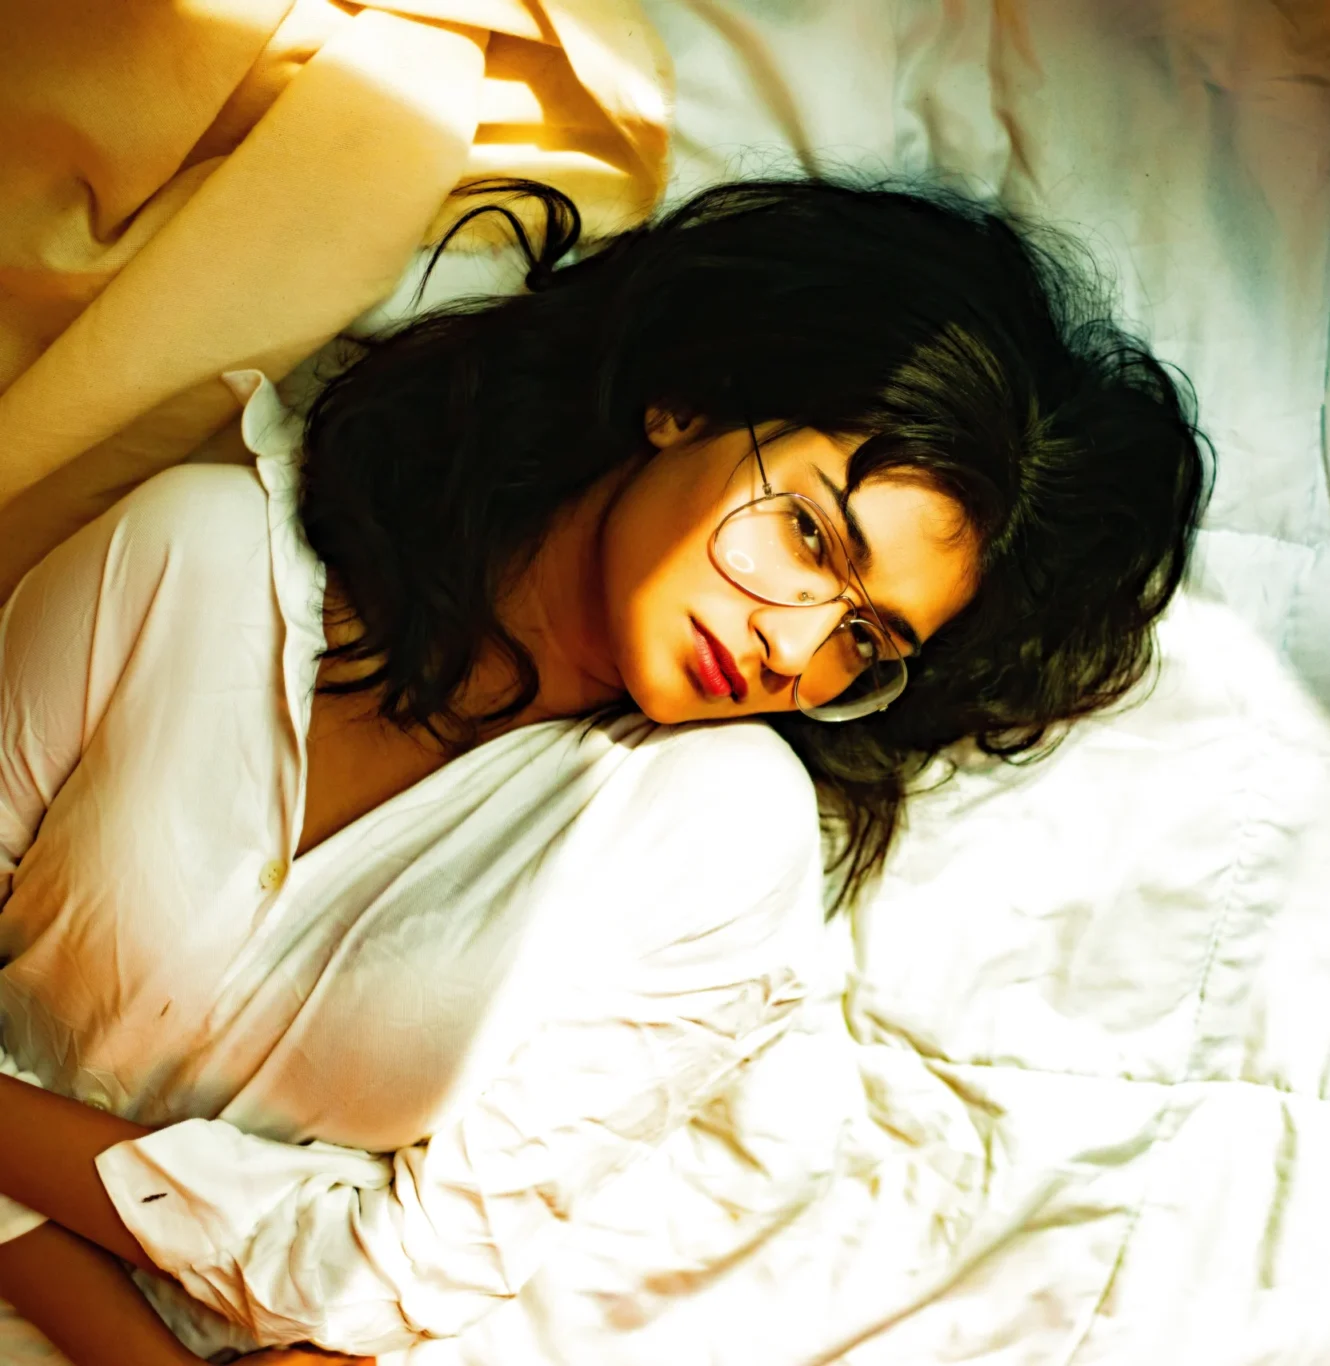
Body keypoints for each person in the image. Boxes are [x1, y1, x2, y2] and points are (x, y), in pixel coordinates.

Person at [0, 177, 1209, 1365]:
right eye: (807, 536)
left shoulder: (715, 835)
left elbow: (391, 1276)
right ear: (684, 401)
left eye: (863, 638)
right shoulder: (189, 564)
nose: (792, 645)